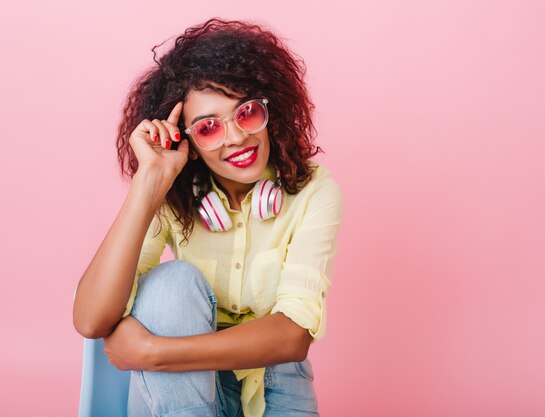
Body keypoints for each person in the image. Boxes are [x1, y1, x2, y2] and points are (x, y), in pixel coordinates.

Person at [72, 17, 344, 417]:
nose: (235, 137)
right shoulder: (171, 196)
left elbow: (292, 336)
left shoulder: (313, 191)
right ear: (189, 144)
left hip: (276, 383)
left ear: (270, 112)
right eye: (208, 127)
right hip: (184, 394)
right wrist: (149, 184)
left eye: (246, 113)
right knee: (172, 282)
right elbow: (92, 320)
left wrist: (153, 352)